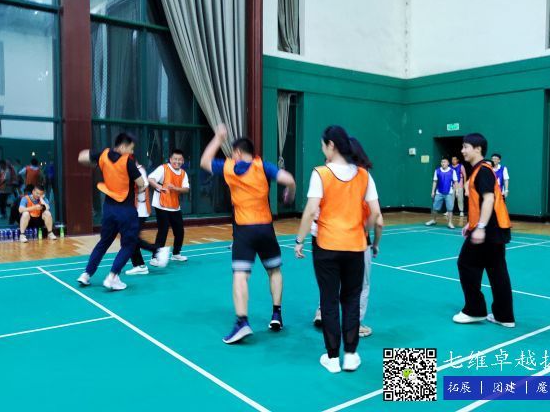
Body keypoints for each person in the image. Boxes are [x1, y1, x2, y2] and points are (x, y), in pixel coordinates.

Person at [294, 126, 382, 373]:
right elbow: (376, 214)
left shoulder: (321, 173)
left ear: (331, 145)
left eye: (323, 145)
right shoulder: (364, 175)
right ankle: (351, 355)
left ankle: (332, 358)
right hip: (355, 246)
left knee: (329, 299)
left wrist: (299, 240)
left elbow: (310, 211)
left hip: (326, 246)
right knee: (352, 299)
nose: (322, 149)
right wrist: (362, 230)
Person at [200, 124, 296, 344]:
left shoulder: (229, 167)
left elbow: (204, 162)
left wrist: (218, 138)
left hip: (244, 230)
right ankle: (276, 314)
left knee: (240, 276)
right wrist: (290, 194)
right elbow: (289, 180)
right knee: (274, 271)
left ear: (237, 152)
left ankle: (242, 322)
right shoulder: (263, 166)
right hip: (265, 228)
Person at [311, 137, 384, 339]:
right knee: (359, 286)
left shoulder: (326, 173)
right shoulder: (364, 178)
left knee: (330, 282)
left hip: (329, 238)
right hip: (358, 242)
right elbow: (378, 219)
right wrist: (375, 243)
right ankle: (355, 325)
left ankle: (322, 312)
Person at [454, 133, 515, 328]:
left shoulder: (482, 170)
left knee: (466, 263)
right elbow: (479, 202)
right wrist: (471, 224)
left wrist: (480, 227)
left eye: (466, 147)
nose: (462, 151)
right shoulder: (480, 170)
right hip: (496, 228)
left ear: (478, 149)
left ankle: (474, 310)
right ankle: (504, 316)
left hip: (489, 229)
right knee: (497, 271)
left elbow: (489, 199)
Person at [76, 133, 146, 291]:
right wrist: (140, 187)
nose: (132, 152)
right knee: (129, 244)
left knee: (104, 242)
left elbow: (81, 157)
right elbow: (141, 183)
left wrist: (95, 165)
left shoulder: (103, 154)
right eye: (131, 148)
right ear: (123, 146)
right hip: (126, 210)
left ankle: (86, 274)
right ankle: (112, 277)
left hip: (108, 209)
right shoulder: (128, 162)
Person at [146, 149, 191, 265]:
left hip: (175, 206)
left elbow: (186, 189)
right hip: (161, 205)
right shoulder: (163, 168)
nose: (177, 161)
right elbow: (150, 179)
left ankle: (176, 254)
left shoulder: (183, 173)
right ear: (170, 159)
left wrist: (175, 188)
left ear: (183, 161)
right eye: (175, 159)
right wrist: (159, 187)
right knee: (163, 230)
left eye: (180, 159)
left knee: (179, 231)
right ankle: (155, 257)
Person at [126, 160, 169, 276]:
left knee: (131, 239)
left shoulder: (139, 170)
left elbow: (143, 185)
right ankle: (140, 265)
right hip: (132, 211)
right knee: (130, 239)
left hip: (140, 211)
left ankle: (156, 250)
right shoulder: (128, 170)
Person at [426, 158, 458, 229]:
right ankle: (433, 220)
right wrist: (433, 191)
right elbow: (435, 181)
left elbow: (456, 182)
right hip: (439, 193)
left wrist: (457, 191)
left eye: (445, 162)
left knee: (450, 209)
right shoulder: (437, 171)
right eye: (442, 162)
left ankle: (450, 223)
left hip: (449, 193)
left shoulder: (452, 171)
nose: (443, 163)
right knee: (435, 207)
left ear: (448, 163)